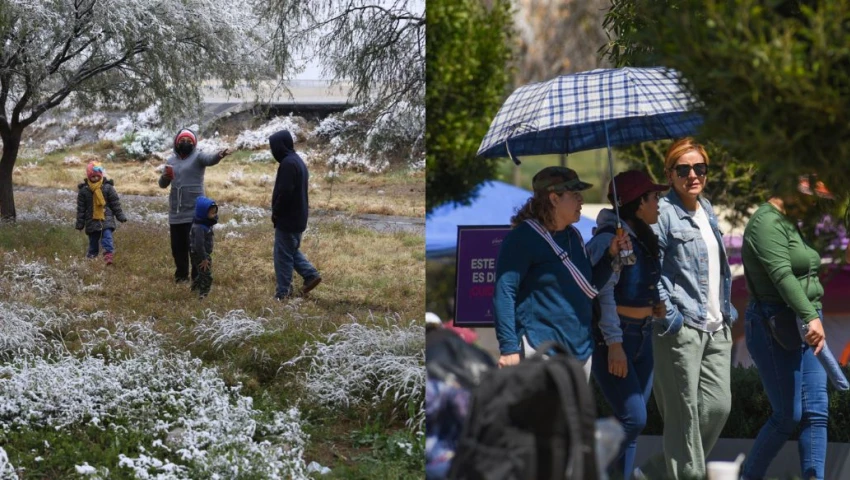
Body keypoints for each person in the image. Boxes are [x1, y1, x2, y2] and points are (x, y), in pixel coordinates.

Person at [637, 138, 737, 480]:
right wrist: (672, 317)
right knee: (684, 416)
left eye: (700, 168)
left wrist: (726, 311)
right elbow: (650, 270)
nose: (693, 175)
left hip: (716, 326)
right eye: (684, 169)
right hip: (680, 327)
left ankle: (650, 474)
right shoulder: (663, 212)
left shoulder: (706, 208)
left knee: (717, 407)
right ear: (669, 173)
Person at [492, 166, 631, 379]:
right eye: (574, 195)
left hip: (581, 351)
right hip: (540, 349)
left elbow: (589, 286)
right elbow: (504, 292)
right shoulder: (523, 237)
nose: (581, 200)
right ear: (554, 199)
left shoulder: (574, 235)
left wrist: (610, 256)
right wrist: (509, 348)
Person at [739, 175, 832, 480]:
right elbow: (782, 276)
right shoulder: (766, 223)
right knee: (787, 416)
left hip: (803, 319)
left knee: (817, 412)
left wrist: (810, 314)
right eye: (811, 196)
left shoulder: (793, 222)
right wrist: (811, 316)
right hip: (774, 323)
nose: (816, 204)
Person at [586, 170, 668, 479]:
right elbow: (603, 293)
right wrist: (615, 344)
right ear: (637, 203)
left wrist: (654, 304)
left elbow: (644, 281)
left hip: (643, 337)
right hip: (615, 340)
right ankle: (583, 464)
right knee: (634, 419)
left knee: (630, 426)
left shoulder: (643, 236)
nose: (659, 203)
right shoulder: (609, 240)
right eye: (654, 197)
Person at [158, 129, 231, 284]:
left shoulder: (198, 156)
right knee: (178, 249)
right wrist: (164, 177)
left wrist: (219, 155)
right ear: (176, 143)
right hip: (176, 212)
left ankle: (197, 278)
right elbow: (162, 185)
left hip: (194, 212)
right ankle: (181, 277)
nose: (186, 143)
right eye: (183, 140)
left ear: (194, 143)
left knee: (196, 248)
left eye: (190, 141)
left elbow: (210, 159)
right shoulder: (171, 161)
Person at [270, 129, 322, 300]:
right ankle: (310, 275)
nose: (273, 151)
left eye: (274, 147)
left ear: (281, 146)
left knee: (282, 256)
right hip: (298, 217)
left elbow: (284, 192)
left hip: (288, 217)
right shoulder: (297, 161)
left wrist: (276, 212)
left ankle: (283, 293)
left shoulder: (287, 164)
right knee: (290, 250)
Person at [75, 161, 127, 265]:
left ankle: (108, 256)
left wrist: (120, 216)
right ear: (89, 176)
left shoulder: (108, 188)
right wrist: (80, 224)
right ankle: (91, 258)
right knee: (93, 242)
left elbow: (115, 203)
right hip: (91, 220)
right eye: (92, 176)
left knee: (107, 237)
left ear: (101, 175)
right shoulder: (84, 191)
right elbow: (81, 209)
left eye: (97, 176)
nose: (95, 178)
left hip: (106, 218)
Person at [189, 196, 218, 300]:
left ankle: (194, 288)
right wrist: (204, 258)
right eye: (212, 213)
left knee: (202, 273)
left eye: (215, 212)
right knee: (207, 275)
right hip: (200, 254)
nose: (214, 215)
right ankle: (203, 294)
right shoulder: (200, 227)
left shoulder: (204, 222)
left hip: (202, 253)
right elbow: (199, 245)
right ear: (203, 213)